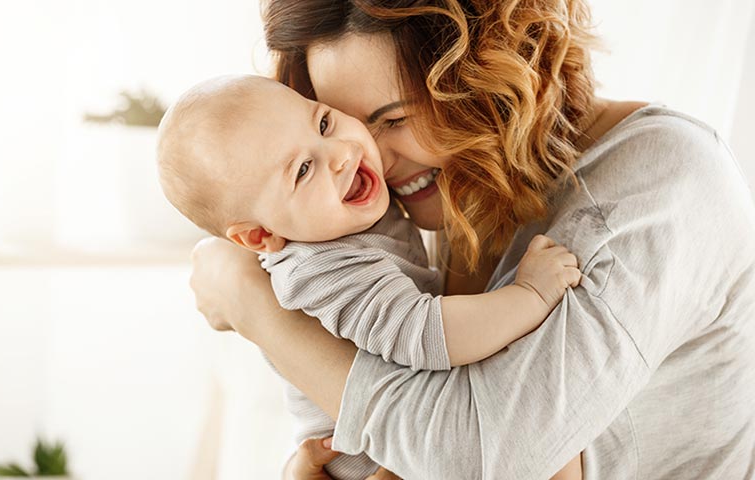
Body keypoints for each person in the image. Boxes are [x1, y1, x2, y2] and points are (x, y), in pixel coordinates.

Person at [189, 1, 755, 479]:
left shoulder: (661, 182)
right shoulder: (459, 193)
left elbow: (481, 453)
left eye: (394, 119)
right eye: (338, 119)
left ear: (489, 76)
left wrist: (254, 306)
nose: (370, 160)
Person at [157, 74, 582, 479]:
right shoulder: (320, 270)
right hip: (369, 466)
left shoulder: (341, 217)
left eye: (324, 122)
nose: (340, 153)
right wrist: (530, 293)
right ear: (261, 235)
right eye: (303, 170)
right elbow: (426, 333)